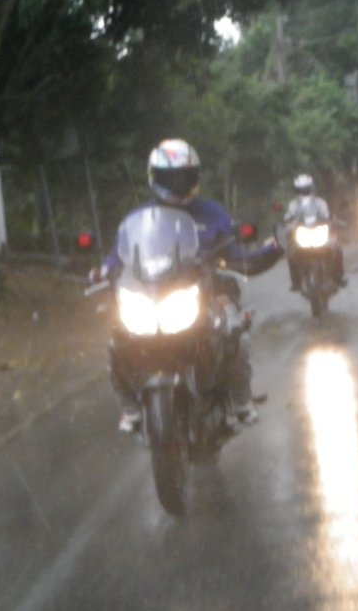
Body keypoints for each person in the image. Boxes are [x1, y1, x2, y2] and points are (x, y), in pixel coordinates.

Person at [90, 138, 281, 433]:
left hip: (207, 294)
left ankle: (241, 401)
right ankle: (130, 408)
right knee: (115, 342)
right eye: (170, 178)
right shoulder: (139, 219)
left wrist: (270, 250)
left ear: (194, 177)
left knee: (236, 333)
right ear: (155, 177)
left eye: (184, 176)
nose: (178, 184)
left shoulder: (213, 213)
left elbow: (236, 256)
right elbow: (119, 254)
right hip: (153, 298)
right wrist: (102, 271)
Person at [282, 173, 346, 291]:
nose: (304, 191)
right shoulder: (294, 204)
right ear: (297, 190)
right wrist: (287, 222)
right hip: (302, 234)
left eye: (306, 188)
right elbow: (289, 217)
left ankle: (338, 277)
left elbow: (326, 215)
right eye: (301, 189)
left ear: (311, 187)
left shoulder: (319, 202)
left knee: (336, 248)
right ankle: (296, 282)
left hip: (319, 232)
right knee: (291, 254)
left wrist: (333, 221)